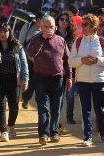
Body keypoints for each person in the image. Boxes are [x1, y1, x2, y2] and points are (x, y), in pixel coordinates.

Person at [68, 14, 104, 147]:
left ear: (94, 27)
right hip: (82, 80)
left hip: (99, 80)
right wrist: (82, 60)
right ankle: (87, 137)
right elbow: (71, 61)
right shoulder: (77, 42)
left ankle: (103, 133)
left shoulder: (102, 41)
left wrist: (97, 60)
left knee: (100, 108)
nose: (82, 27)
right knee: (85, 109)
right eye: (82, 24)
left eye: (86, 24)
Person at [27, 15, 72, 145]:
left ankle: (54, 132)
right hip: (40, 78)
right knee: (43, 108)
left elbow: (67, 60)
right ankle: (44, 135)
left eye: (51, 27)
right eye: (45, 27)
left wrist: (69, 77)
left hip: (58, 79)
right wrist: (42, 39)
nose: (48, 29)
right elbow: (31, 53)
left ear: (55, 28)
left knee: (56, 108)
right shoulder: (36, 39)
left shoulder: (61, 40)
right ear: (41, 27)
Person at [0, 23, 29, 142]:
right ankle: (4, 131)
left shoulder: (17, 46)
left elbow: (24, 64)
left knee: (14, 106)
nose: (2, 34)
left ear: (9, 32)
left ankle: (11, 125)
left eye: (5, 31)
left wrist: (25, 79)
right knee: (0, 105)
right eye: (0, 31)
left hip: (14, 79)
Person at [55, 12, 78, 126]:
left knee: (70, 95)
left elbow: (74, 55)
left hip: (70, 71)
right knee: (59, 97)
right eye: (62, 19)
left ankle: (70, 116)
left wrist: (73, 73)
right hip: (56, 71)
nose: (64, 21)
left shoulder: (72, 38)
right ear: (58, 21)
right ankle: (57, 122)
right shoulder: (53, 35)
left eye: (66, 20)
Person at [18, 11, 45, 109]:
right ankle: (26, 99)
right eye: (43, 21)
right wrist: (22, 57)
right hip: (28, 60)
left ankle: (41, 103)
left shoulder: (45, 28)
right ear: (38, 20)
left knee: (40, 83)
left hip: (41, 61)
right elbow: (20, 42)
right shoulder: (28, 26)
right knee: (30, 81)